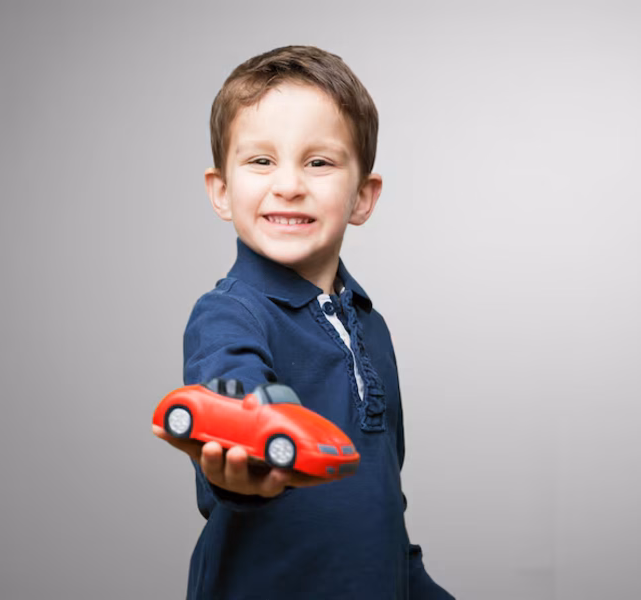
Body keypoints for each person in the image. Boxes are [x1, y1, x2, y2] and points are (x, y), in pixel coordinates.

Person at [151, 45, 455, 600]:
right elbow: (233, 386)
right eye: (261, 161)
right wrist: (245, 456)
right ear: (221, 191)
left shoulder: (372, 328)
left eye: (319, 162)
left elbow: (384, 509)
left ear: (363, 197)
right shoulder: (230, 313)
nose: (288, 184)